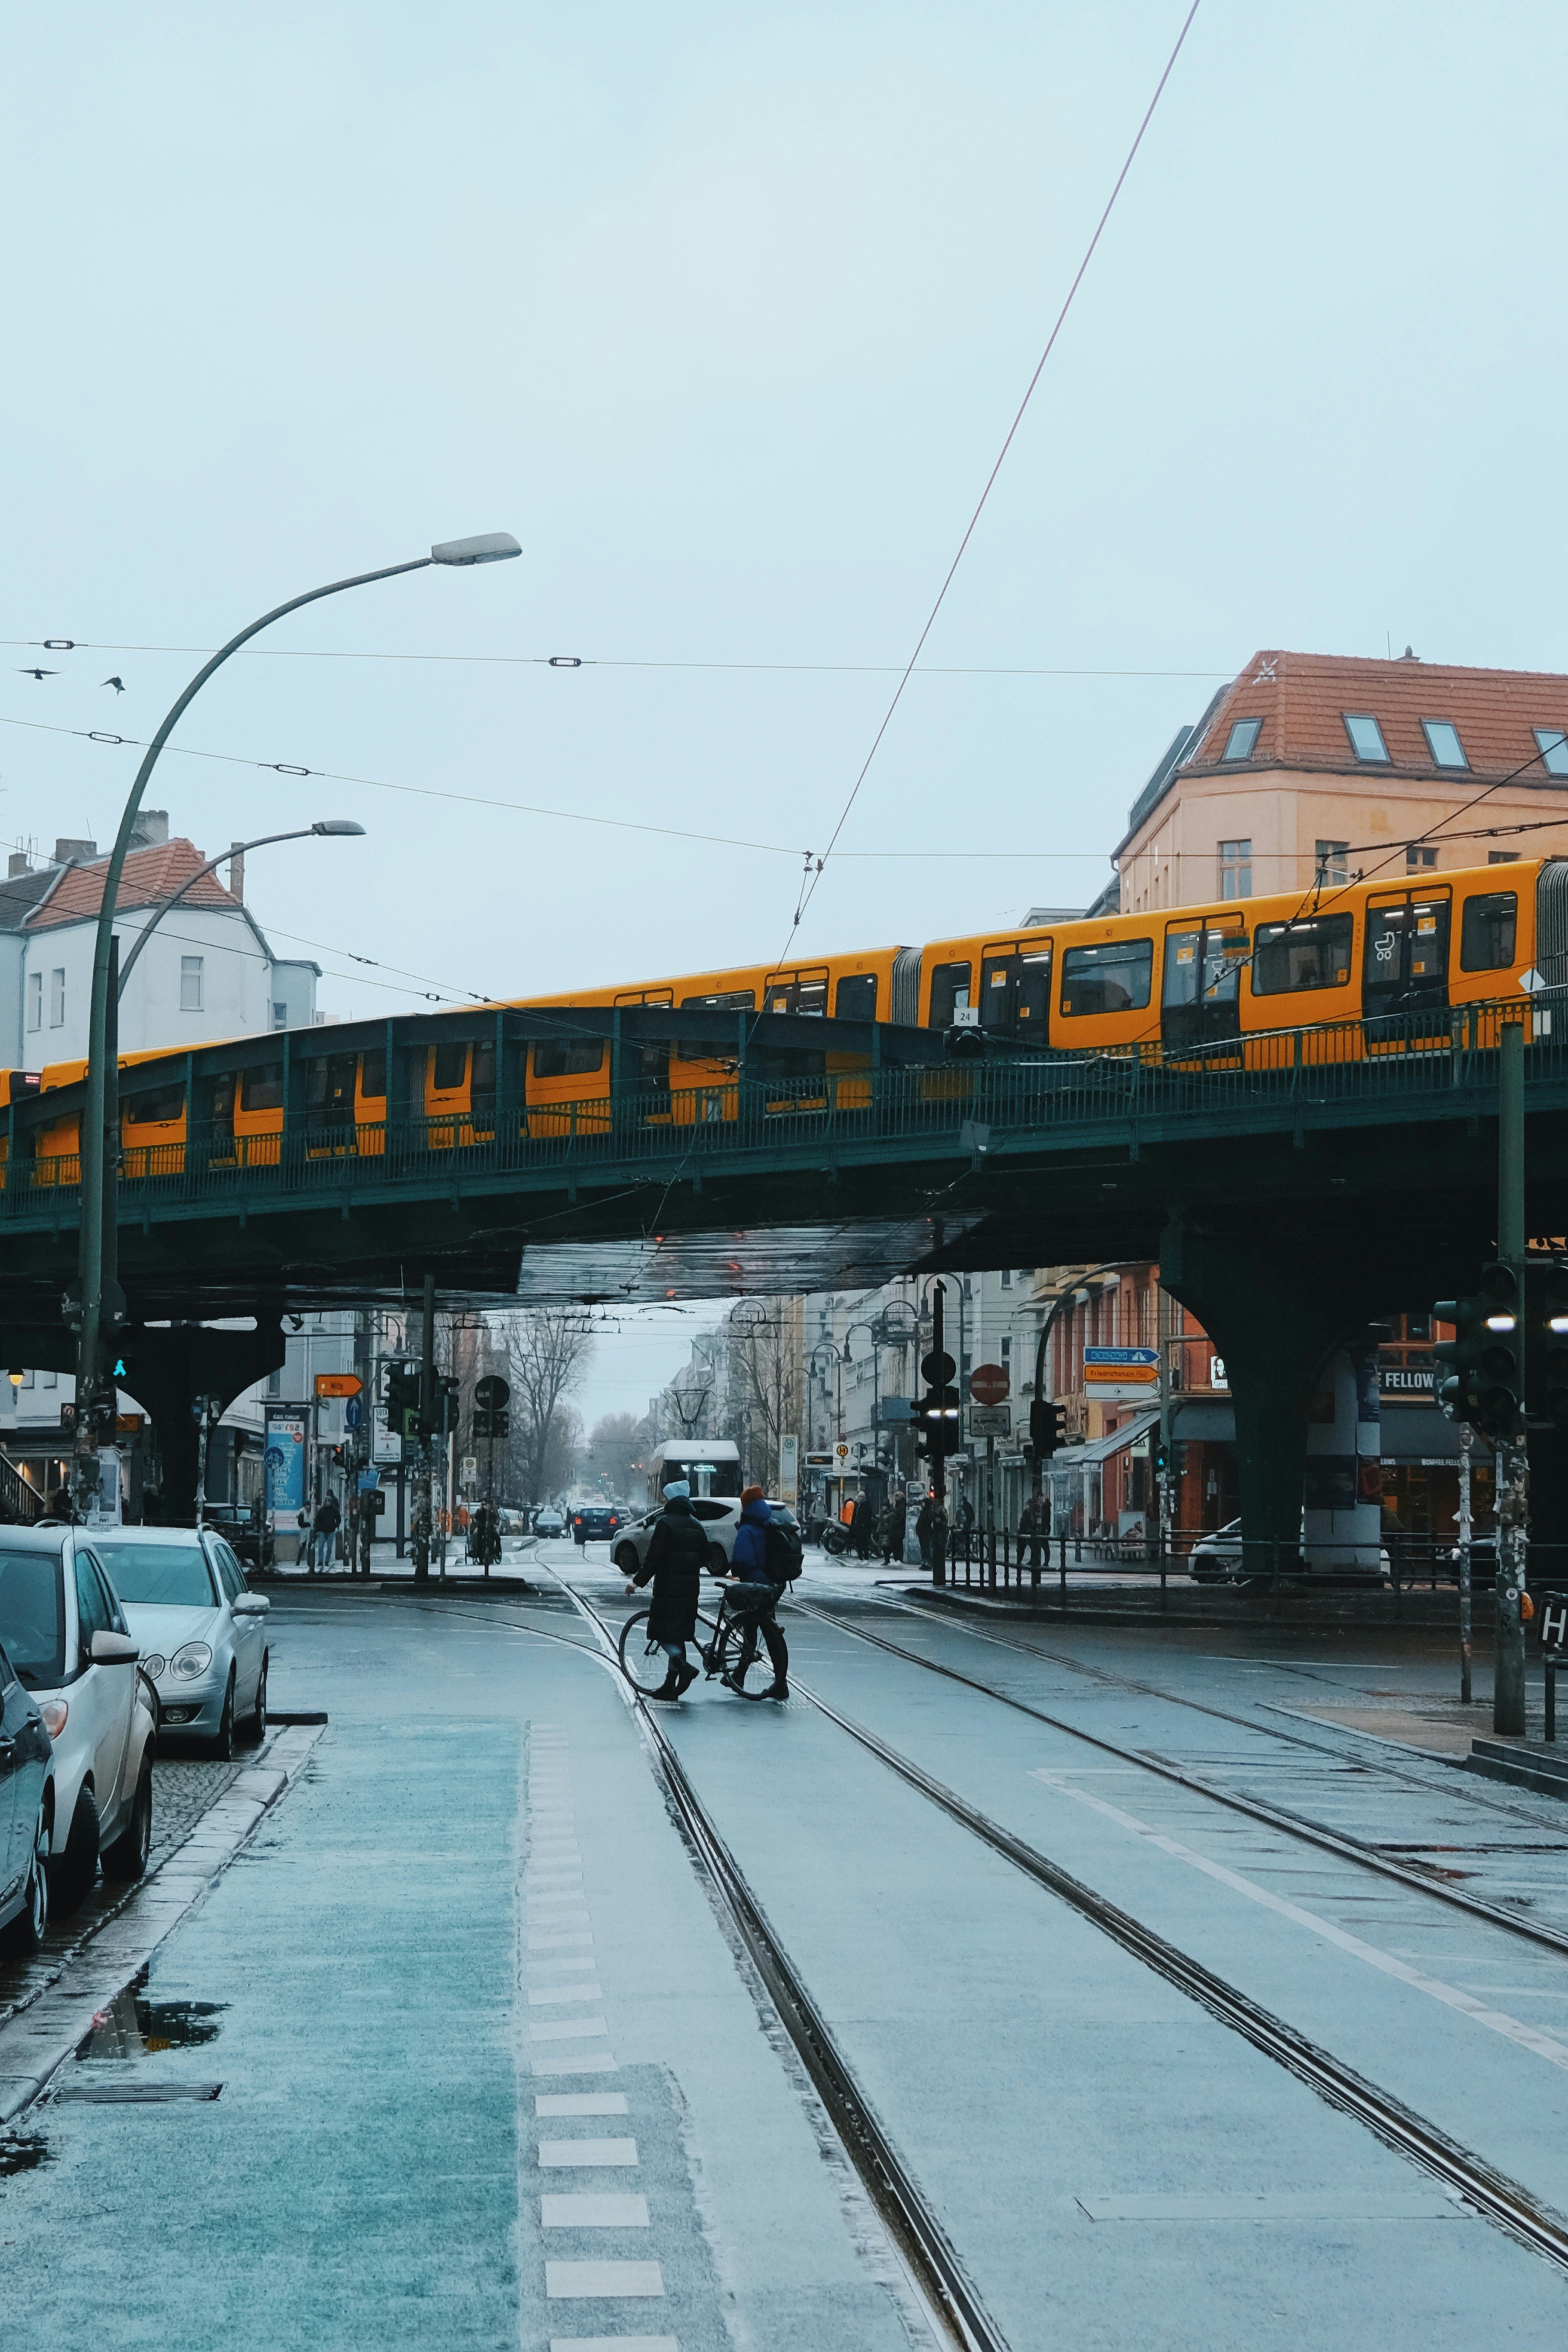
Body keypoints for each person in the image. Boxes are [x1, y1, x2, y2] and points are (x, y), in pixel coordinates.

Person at [625, 1478, 707, 1700]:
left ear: (672, 1499)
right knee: (678, 1634)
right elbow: (706, 1557)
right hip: (690, 1589)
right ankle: (670, 1685)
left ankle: (683, 1666)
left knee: (660, 1631)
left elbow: (654, 1559)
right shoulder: (696, 1525)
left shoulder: (666, 1523)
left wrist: (636, 1582)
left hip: (668, 1589)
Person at [720, 1484, 789, 1699]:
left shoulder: (747, 1529)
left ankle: (780, 1684)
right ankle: (740, 1676)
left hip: (755, 1587)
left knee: (758, 1631)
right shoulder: (770, 1524)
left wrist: (737, 1572)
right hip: (772, 1586)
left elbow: (742, 1560)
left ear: (746, 1506)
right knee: (766, 1631)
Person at [1018, 1488, 1049, 1576]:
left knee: (1042, 1545)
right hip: (1029, 1529)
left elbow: (1045, 1518)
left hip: (1037, 1529)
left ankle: (1043, 1562)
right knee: (1032, 1545)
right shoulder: (1032, 1507)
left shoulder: (1043, 1507)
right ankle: (1031, 1561)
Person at [311, 1491, 341, 1572]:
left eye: (329, 1502)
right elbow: (318, 1520)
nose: (327, 1503)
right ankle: (321, 1561)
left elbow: (339, 1520)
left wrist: (334, 1526)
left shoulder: (335, 1510)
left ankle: (327, 1561)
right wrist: (318, 1529)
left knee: (330, 1547)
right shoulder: (322, 1510)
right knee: (321, 1546)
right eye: (326, 1502)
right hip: (323, 1531)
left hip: (331, 1531)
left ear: (331, 1502)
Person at [878, 1490, 905, 1565]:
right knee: (889, 1545)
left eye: (897, 1496)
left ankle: (898, 1559)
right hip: (889, 1530)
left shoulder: (900, 1507)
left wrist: (893, 1525)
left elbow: (901, 1518)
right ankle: (892, 1559)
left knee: (896, 1545)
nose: (896, 1498)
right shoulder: (896, 1507)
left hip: (895, 1530)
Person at [915, 1491, 935, 1571]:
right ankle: (925, 1562)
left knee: (926, 1548)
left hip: (926, 1532)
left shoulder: (928, 1513)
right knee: (924, 1548)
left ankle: (928, 1562)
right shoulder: (924, 1512)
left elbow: (926, 1522)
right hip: (923, 1533)